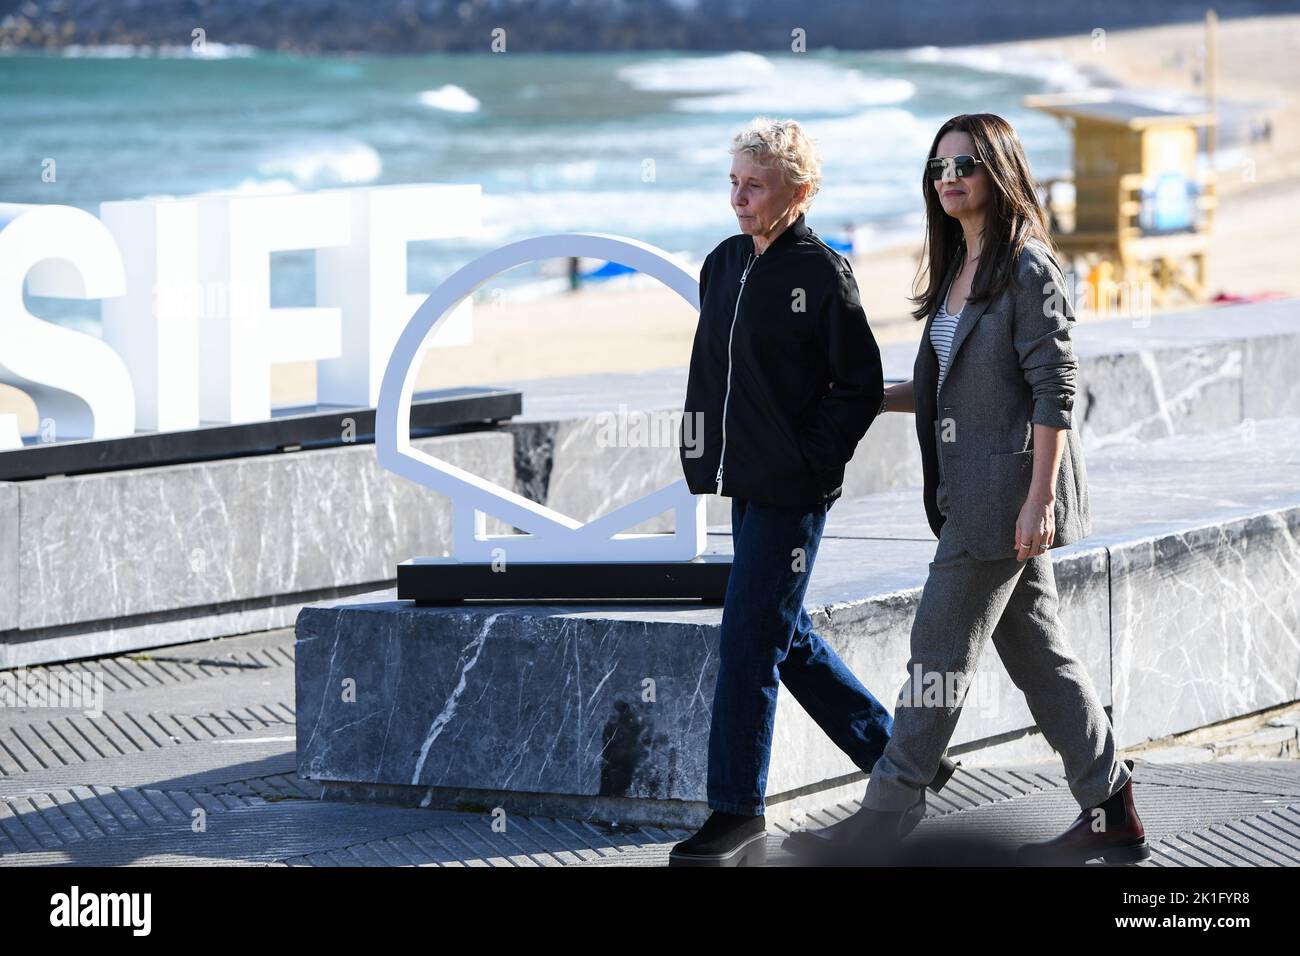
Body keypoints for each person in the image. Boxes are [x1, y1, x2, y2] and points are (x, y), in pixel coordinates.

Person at [782, 113, 1148, 866]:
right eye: (940, 168)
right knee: (1043, 660)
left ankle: (889, 811)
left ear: (998, 172)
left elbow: (1057, 390)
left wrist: (1039, 499)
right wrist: (851, 396)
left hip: (1004, 499)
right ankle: (1112, 808)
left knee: (936, 654)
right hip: (972, 497)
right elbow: (939, 385)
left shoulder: (1028, 268)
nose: (950, 179)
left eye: (966, 166)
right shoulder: (958, 267)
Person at [669, 116, 956, 868]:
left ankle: (734, 814)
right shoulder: (722, 264)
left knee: (746, 644)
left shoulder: (822, 272)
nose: (738, 197)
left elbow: (856, 384)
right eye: (733, 182)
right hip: (741, 477)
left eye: (754, 185)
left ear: (798, 193)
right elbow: (710, 371)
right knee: (778, 633)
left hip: (792, 490)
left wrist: (809, 462)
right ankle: (902, 761)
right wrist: (698, 452)